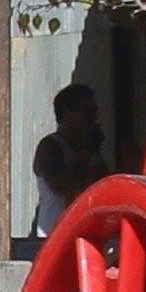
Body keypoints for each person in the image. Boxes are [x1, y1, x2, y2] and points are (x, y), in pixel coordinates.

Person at [29, 84, 113, 244]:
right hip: (53, 236)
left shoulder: (87, 148)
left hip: (82, 234)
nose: (94, 117)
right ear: (68, 114)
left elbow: (104, 185)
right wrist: (86, 155)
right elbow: (61, 186)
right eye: (88, 111)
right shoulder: (50, 146)